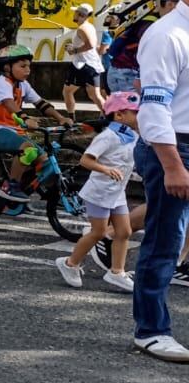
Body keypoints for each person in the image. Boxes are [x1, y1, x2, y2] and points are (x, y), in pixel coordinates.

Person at [132, 0, 189, 363]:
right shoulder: (167, 34)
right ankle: (151, 330)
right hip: (174, 145)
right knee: (165, 239)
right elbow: (154, 106)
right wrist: (172, 164)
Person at [56, 91, 139, 292]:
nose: (140, 117)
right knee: (99, 232)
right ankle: (69, 263)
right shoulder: (108, 136)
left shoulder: (133, 136)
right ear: (119, 115)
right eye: (135, 112)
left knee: (124, 231)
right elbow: (86, 159)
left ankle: (116, 272)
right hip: (99, 192)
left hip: (117, 192)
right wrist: (106, 169)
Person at [0, 44, 65, 202]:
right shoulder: (2, 84)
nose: (28, 70)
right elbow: (9, 103)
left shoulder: (23, 85)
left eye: (29, 66)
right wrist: (25, 118)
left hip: (12, 131)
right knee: (27, 150)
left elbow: (41, 104)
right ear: (7, 67)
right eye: (22, 66)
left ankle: (22, 189)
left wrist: (61, 118)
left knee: (44, 160)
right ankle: (11, 188)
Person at [63, 3, 108, 119]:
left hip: (82, 65)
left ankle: (70, 120)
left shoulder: (82, 28)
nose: (74, 14)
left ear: (80, 14)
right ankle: (109, 118)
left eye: (75, 12)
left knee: (68, 91)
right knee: (94, 95)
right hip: (90, 64)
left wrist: (74, 50)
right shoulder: (89, 27)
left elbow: (91, 45)